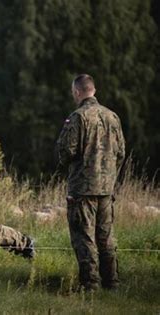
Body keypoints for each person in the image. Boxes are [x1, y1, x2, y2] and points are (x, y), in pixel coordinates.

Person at [56, 74, 125, 291]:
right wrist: (111, 177)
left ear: (78, 92)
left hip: (82, 188)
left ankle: (90, 284)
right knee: (105, 236)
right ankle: (111, 282)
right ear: (93, 90)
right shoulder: (113, 116)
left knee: (83, 235)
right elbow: (121, 152)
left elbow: (66, 151)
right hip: (106, 187)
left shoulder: (78, 117)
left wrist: (64, 163)